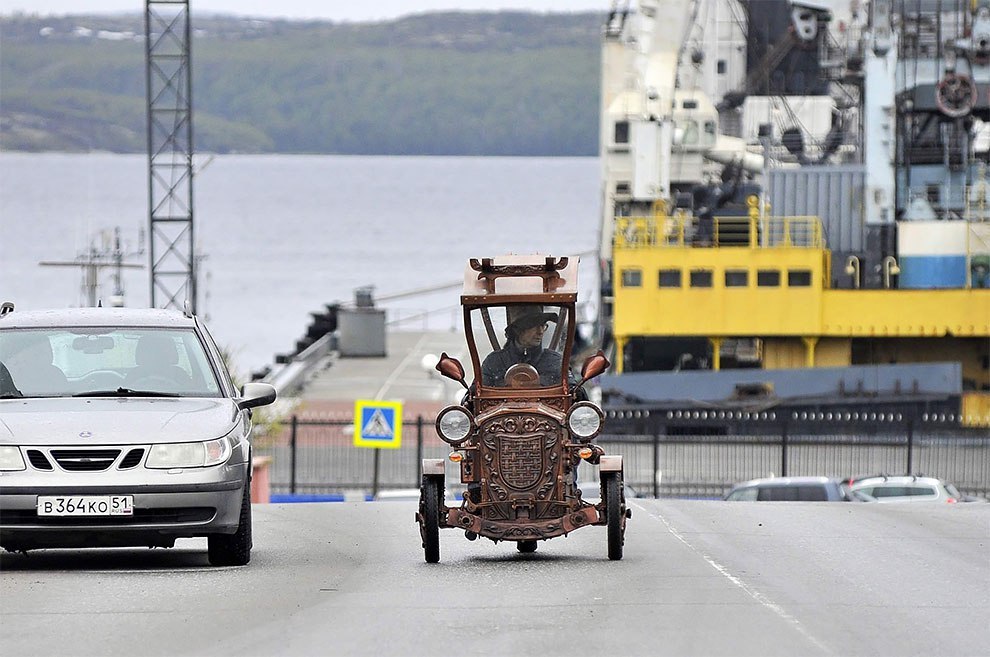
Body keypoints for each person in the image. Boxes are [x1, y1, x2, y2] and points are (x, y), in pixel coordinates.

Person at [481, 305, 563, 387]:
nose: (540, 331)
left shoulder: (555, 362)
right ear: (518, 330)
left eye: (543, 325)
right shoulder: (494, 362)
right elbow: (476, 393)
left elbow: (571, 391)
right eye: (534, 326)